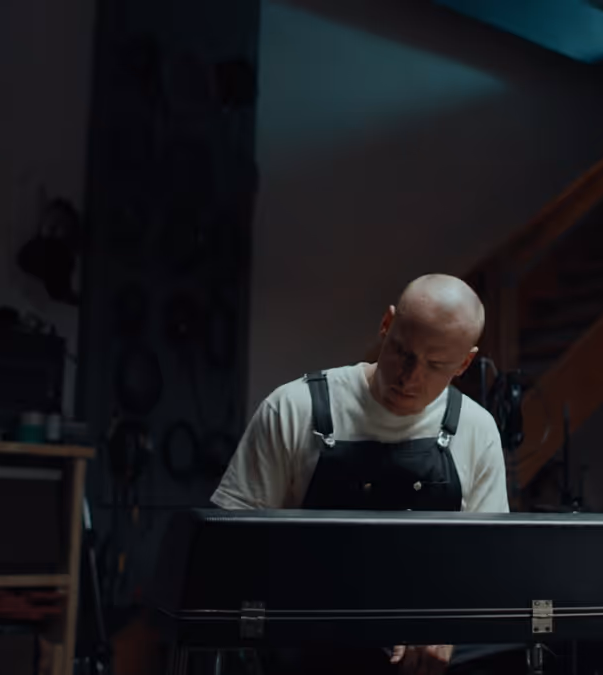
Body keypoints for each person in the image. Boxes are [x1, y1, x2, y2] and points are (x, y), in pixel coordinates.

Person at [212, 273, 511, 675]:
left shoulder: (476, 429)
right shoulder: (294, 409)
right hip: (302, 657)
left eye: (436, 365)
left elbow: (488, 569)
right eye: (403, 352)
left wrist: (446, 625)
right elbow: (228, 550)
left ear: (465, 363)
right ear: (386, 324)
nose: (410, 377)